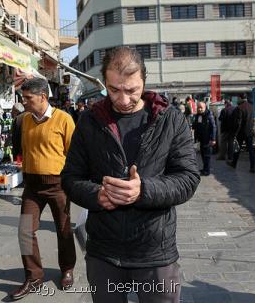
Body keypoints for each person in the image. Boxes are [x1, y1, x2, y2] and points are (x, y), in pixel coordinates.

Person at [61, 47, 200, 303]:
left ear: (144, 80)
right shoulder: (90, 122)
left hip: (155, 251)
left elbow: (188, 178)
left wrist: (143, 190)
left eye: (131, 90)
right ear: (104, 82)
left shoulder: (170, 120)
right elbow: (70, 178)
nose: (123, 100)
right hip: (104, 251)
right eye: (114, 90)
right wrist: (98, 195)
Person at [9, 78, 76, 300]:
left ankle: (67, 268)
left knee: (64, 229)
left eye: (27, 98)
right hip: (32, 186)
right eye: (23, 97)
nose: (23, 101)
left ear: (43, 97)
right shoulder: (23, 120)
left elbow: (74, 154)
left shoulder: (64, 119)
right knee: (25, 231)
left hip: (58, 185)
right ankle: (34, 276)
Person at [229, 94, 255, 173]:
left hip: (241, 132)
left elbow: (238, 122)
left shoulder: (239, 108)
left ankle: (234, 163)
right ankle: (252, 167)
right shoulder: (251, 107)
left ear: (240, 98)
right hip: (249, 131)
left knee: (237, 148)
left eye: (238, 98)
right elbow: (252, 120)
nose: (237, 100)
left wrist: (235, 133)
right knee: (251, 150)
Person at [192, 102, 216, 176]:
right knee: (202, 154)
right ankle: (205, 169)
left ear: (205, 107)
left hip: (208, 139)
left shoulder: (209, 115)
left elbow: (214, 127)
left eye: (201, 108)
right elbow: (195, 126)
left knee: (207, 155)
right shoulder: (198, 115)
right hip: (201, 138)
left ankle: (207, 171)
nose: (199, 109)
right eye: (198, 107)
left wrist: (213, 139)